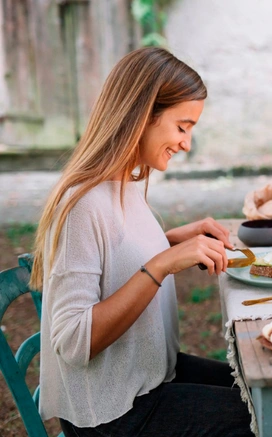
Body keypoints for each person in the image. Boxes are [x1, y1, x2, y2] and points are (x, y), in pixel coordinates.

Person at [30, 47, 254, 436]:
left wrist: (169, 243)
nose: (186, 143)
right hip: (113, 411)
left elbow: (113, 263)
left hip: (148, 379)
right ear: (143, 115)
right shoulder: (82, 205)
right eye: (182, 126)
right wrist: (164, 262)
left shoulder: (124, 183)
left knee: (269, 389)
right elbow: (74, 341)